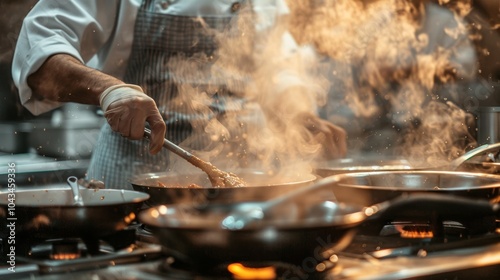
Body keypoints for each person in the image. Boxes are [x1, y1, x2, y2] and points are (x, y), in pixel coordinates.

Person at [12, 0, 347, 189]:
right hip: (132, 177)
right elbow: (39, 55)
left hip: (244, 175)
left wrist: (300, 114)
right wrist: (108, 89)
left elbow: (277, 66)